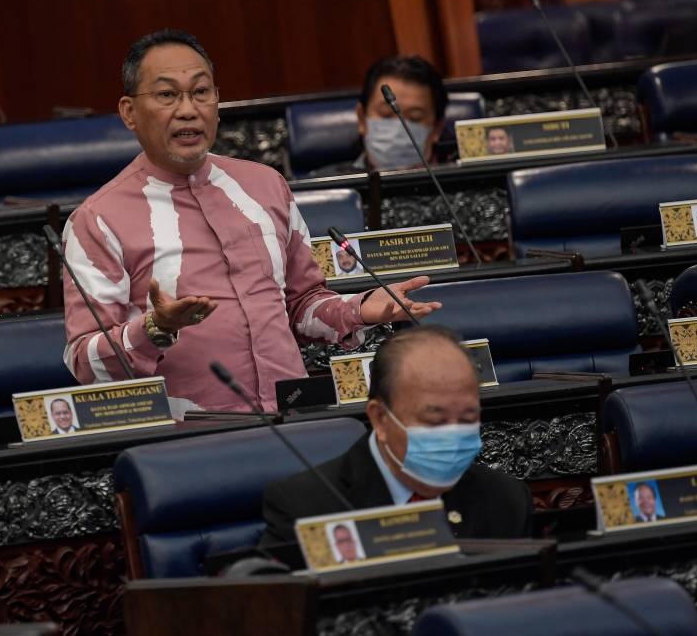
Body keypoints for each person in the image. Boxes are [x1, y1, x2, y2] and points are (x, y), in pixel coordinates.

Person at [62, 30, 441, 415]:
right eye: (166, 95)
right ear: (129, 112)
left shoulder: (266, 186)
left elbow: (303, 305)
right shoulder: (97, 220)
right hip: (187, 441)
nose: (188, 109)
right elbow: (84, 363)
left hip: (295, 419)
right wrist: (155, 329)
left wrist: (359, 309)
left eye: (200, 92)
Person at [259, 326, 533, 547]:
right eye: (434, 420)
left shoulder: (505, 499)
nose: (453, 433)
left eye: (467, 418)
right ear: (380, 418)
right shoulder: (306, 507)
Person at [309, 56, 448, 176]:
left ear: (437, 129)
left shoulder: (457, 187)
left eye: (415, 117)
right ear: (362, 119)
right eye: (386, 115)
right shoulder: (322, 191)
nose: (398, 130)